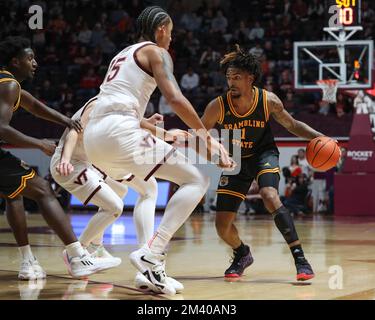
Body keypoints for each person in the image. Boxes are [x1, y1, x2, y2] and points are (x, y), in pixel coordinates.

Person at [82, 6, 233, 295]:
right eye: (171, 33)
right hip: (119, 132)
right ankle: (153, 253)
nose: (172, 40)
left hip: (95, 139)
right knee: (196, 180)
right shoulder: (156, 52)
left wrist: (172, 136)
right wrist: (208, 138)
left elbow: (116, 104)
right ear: (161, 29)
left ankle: (149, 271)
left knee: (148, 188)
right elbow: (175, 98)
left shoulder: (122, 54)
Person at [200, 45, 334, 281]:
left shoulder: (267, 100)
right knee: (222, 228)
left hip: (263, 153)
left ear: (250, 78)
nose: (231, 82)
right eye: (229, 77)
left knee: (270, 194)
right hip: (236, 160)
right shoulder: (217, 106)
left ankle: (300, 258)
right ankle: (242, 253)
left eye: (237, 77)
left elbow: (292, 125)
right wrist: (214, 153)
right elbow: (198, 135)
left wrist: (319, 137)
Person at [0, 36, 111, 280]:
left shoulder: (7, 83)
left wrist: (67, 120)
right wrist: (39, 143)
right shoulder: (8, 85)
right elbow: (2, 129)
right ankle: (77, 256)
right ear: (14, 62)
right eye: (29, 58)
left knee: (14, 194)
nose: (35, 63)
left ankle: (28, 262)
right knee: (43, 190)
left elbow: (35, 106)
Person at [53, 100, 188, 293]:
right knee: (119, 203)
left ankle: (140, 261)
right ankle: (78, 252)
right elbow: (74, 130)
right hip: (79, 161)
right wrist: (65, 159)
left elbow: (130, 119)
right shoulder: (98, 103)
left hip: (95, 160)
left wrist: (151, 124)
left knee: (143, 189)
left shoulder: (116, 101)